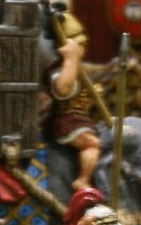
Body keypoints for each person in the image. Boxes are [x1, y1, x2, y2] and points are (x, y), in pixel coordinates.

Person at [44, 10, 103, 191]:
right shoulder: (60, 69)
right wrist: (71, 58)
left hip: (79, 119)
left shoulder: (77, 68)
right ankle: (82, 180)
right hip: (67, 122)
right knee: (92, 144)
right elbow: (63, 88)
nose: (84, 49)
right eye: (80, 45)